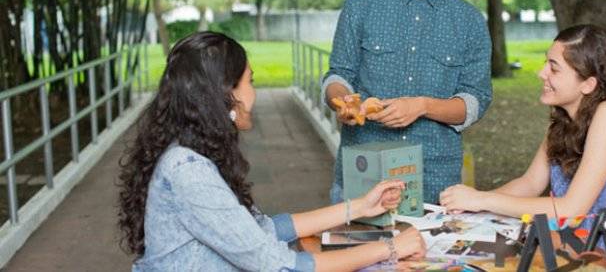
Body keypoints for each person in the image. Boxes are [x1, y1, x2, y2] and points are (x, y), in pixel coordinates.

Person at [118, 32, 426, 271]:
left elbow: (263, 229)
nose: (254, 92)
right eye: (250, 82)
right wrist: (392, 248)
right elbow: (278, 264)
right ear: (226, 94)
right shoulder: (188, 170)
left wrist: (359, 207)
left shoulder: (192, 151)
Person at [440, 24, 606, 271]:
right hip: (586, 255)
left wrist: (482, 200)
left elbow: (572, 209)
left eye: (554, 68)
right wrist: (470, 207)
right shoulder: (564, 119)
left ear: (588, 84)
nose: (542, 73)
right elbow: (530, 184)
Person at [321, 0, 492, 205]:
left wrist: (423, 106)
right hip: (362, 174)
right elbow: (338, 75)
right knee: (354, 252)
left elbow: (475, 102)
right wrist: (343, 100)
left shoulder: (470, 22)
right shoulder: (361, 5)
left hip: (435, 182)